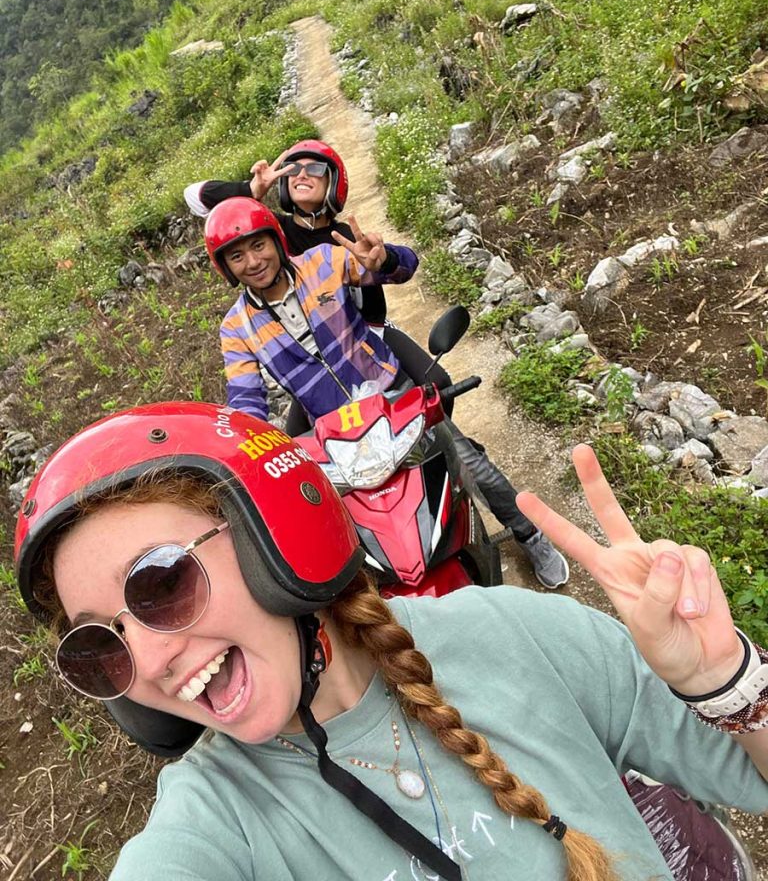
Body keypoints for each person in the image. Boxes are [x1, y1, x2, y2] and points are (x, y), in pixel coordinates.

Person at [14, 403, 768, 881]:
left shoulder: (517, 634)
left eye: (161, 585)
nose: (146, 660)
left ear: (273, 540)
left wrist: (725, 681)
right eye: (99, 645)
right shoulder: (217, 817)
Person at [204, 190, 569, 588]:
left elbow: (403, 268)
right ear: (224, 267)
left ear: (276, 239)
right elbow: (246, 401)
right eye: (237, 256)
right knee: (339, 529)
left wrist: (384, 259)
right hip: (334, 432)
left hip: (393, 396)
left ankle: (529, 534)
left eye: (258, 245)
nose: (254, 262)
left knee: (468, 465)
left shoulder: (324, 261)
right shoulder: (236, 327)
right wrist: (238, 454)